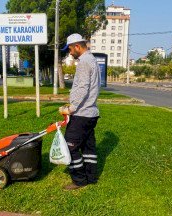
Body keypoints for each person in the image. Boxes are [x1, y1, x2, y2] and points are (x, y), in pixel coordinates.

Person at [59, 33, 100, 190]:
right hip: (91, 113)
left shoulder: (84, 62)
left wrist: (71, 108)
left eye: (70, 49)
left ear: (77, 46)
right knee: (88, 147)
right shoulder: (92, 59)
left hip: (82, 113)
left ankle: (79, 180)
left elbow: (83, 87)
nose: (70, 52)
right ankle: (91, 177)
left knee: (71, 146)